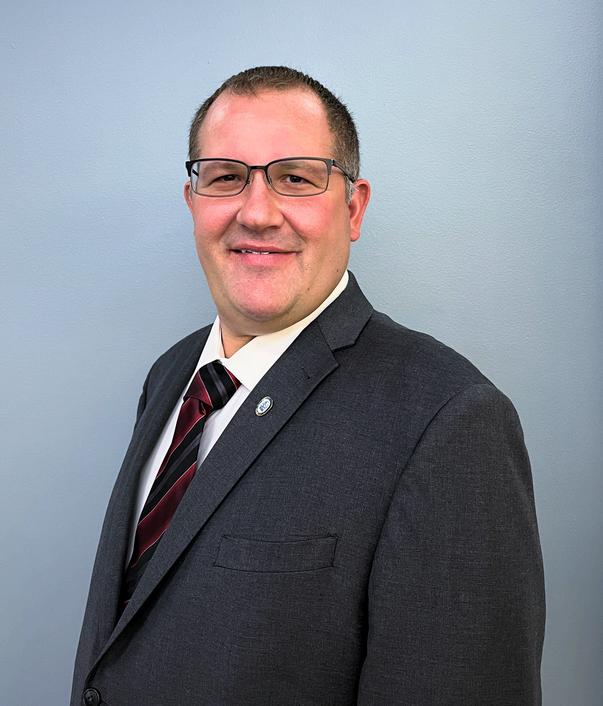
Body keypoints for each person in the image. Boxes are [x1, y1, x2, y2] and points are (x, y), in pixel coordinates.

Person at [71, 66, 545, 706]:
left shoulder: (448, 421)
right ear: (193, 201)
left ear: (353, 208)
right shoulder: (170, 376)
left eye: (295, 178)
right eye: (225, 177)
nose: (256, 212)